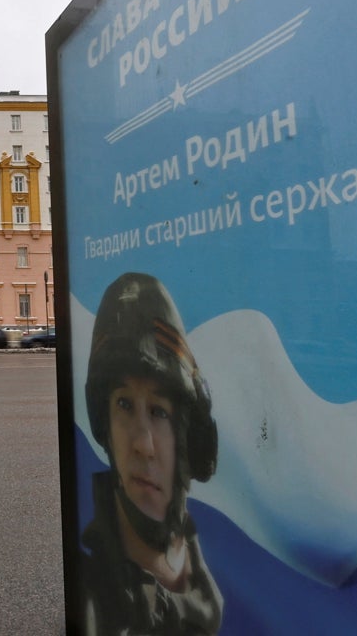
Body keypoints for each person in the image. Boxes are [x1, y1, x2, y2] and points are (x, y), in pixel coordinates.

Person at [81, 272, 222, 634]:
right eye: (124, 404)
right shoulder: (93, 609)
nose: (143, 445)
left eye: (159, 411)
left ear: (187, 436)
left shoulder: (210, 600)